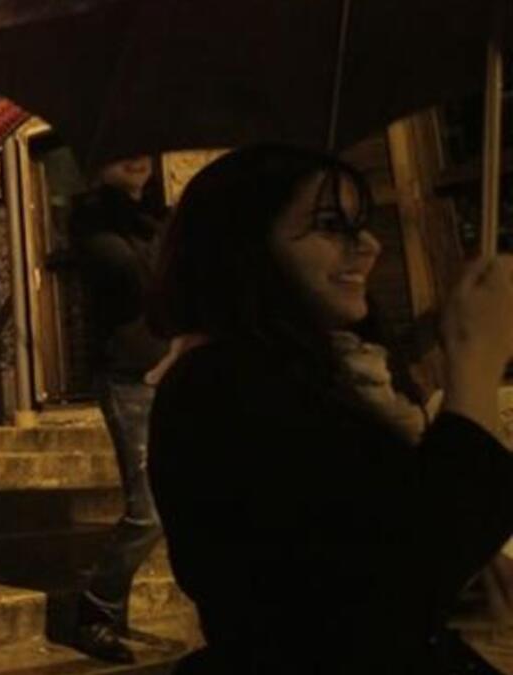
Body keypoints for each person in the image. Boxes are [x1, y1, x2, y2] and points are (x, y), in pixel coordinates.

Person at [147, 145, 513, 674]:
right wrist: (475, 364)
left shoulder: (342, 374)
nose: (367, 246)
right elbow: (391, 577)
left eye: (361, 225)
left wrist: (464, 582)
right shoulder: (221, 390)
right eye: (329, 226)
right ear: (247, 248)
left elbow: (382, 538)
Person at [68, 156, 170, 661]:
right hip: (129, 375)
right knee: (149, 509)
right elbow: (133, 279)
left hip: (174, 367)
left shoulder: (157, 218)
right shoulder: (88, 218)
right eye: (122, 151)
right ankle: (96, 605)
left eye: (143, 150)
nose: (136, 159)